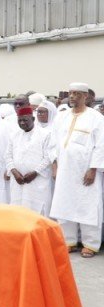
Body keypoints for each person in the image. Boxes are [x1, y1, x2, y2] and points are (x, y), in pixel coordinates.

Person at [51, 82, 104, 258]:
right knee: (65, 203)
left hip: (86, 170)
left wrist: (93, 169)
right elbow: (54, 143)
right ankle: (68, 241)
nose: (72, 96)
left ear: (86, 96)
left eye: (76, 94)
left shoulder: (96, 118)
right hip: (65, 169)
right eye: (70, 93)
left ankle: (91, 243)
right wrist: (55, 165)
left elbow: (100, 146)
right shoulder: (61, 117)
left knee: (87, 205)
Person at [6, 107, 54, 216]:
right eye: (20, 121)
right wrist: (14, 172)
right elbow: (8, 156)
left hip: (37, 181)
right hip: (18, 181)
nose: (22, 123)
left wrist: (35, 172)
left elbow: (48, 158)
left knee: (37, 213)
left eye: (25, 120)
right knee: (18, 213)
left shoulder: (45, 134)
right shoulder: (14, 135)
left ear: (33, 119)